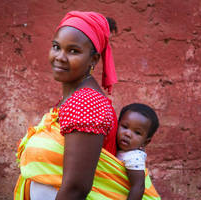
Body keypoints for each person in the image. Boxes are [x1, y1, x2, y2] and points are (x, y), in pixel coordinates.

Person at [15, 11, 119, 200]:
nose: (60, 57)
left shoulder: (86, 102)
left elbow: (76, 188)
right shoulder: (74, 98)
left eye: (73, 51)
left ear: (93, 59)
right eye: (56, 47)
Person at [116, 103, 160, 200]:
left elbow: (138, 186)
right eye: (124, 126)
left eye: (137, 133)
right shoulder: (119, 148)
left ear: (145, 142)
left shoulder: (133, 157)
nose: (127, 134)